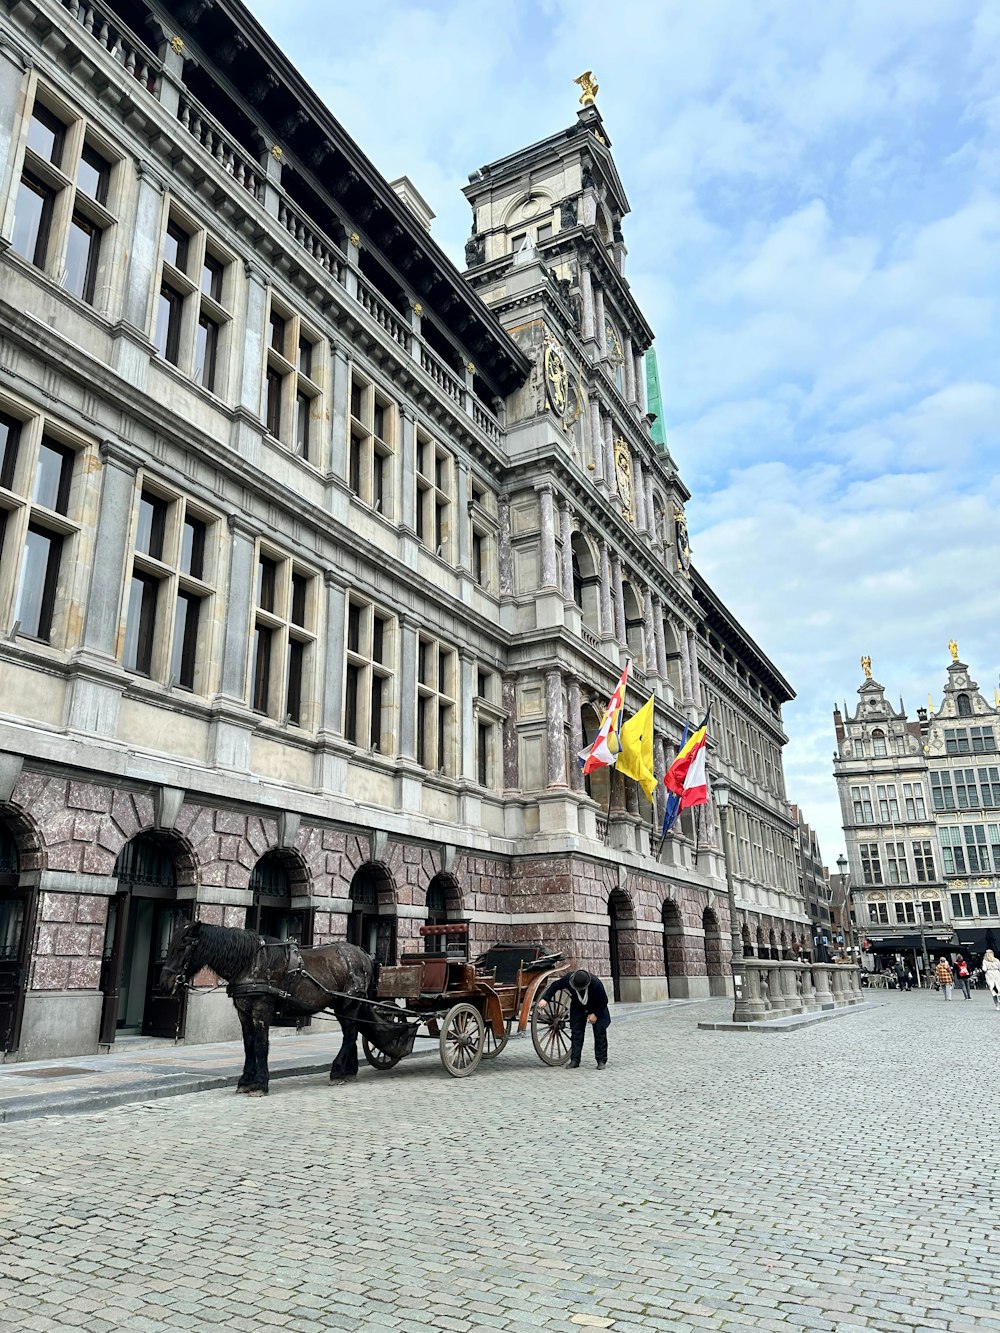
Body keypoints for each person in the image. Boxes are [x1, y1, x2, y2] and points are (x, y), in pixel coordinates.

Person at [538, 967, 611, 1069]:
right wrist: (546, 999)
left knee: (599, 1032)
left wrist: (595, 1014)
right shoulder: (569, 979)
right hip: (578, 1006)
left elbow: (604, 1001)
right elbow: (555, 985)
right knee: (576, 1032)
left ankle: (601, 1060)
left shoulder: (596, 983)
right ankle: (575, 1060)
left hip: (597, 1006)